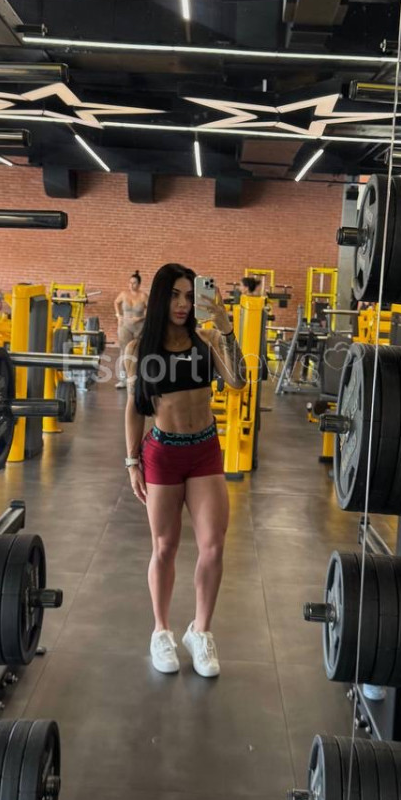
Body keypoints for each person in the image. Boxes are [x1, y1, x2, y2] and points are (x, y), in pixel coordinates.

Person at [124, 263, 247, 678]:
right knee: (165, 547)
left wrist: (226, 327)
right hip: (163, 454)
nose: (183, 304)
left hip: (204, 452)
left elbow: (238, 381)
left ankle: (201, 631)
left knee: (213, 545)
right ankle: (161, 631)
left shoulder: (206, 340)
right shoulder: (139, 349)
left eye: (190, 297)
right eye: (175, 295)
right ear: (162, 298)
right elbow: (134, 409)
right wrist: (132, 462)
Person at [114, 271, 147, 388]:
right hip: (125, 325)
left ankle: (135, 378)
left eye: (134, 283)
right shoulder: (124, 294)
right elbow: (116, 302)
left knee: (136, 351)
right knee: (124, 351)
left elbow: (149, 310)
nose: (132, 285)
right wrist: (118, 315)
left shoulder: (143, 296)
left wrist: (140, 318)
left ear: (139, 284)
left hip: (139, 326)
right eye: (130, 283)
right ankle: (123, 379)